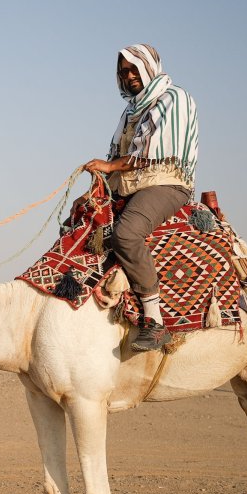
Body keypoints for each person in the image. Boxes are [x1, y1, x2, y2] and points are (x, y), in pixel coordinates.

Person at [82, 44, 199, 352]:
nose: (129, 76)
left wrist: (108, 166)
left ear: (149, 67)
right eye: (123, 72)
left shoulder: (174, 99)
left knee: (126, 233)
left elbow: (152, 152)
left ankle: (154, 319)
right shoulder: (132, 109)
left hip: (165, 184)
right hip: (128, 185)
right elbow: (120, 154)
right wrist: (100, 180)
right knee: (80, 221)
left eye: (134, 69)